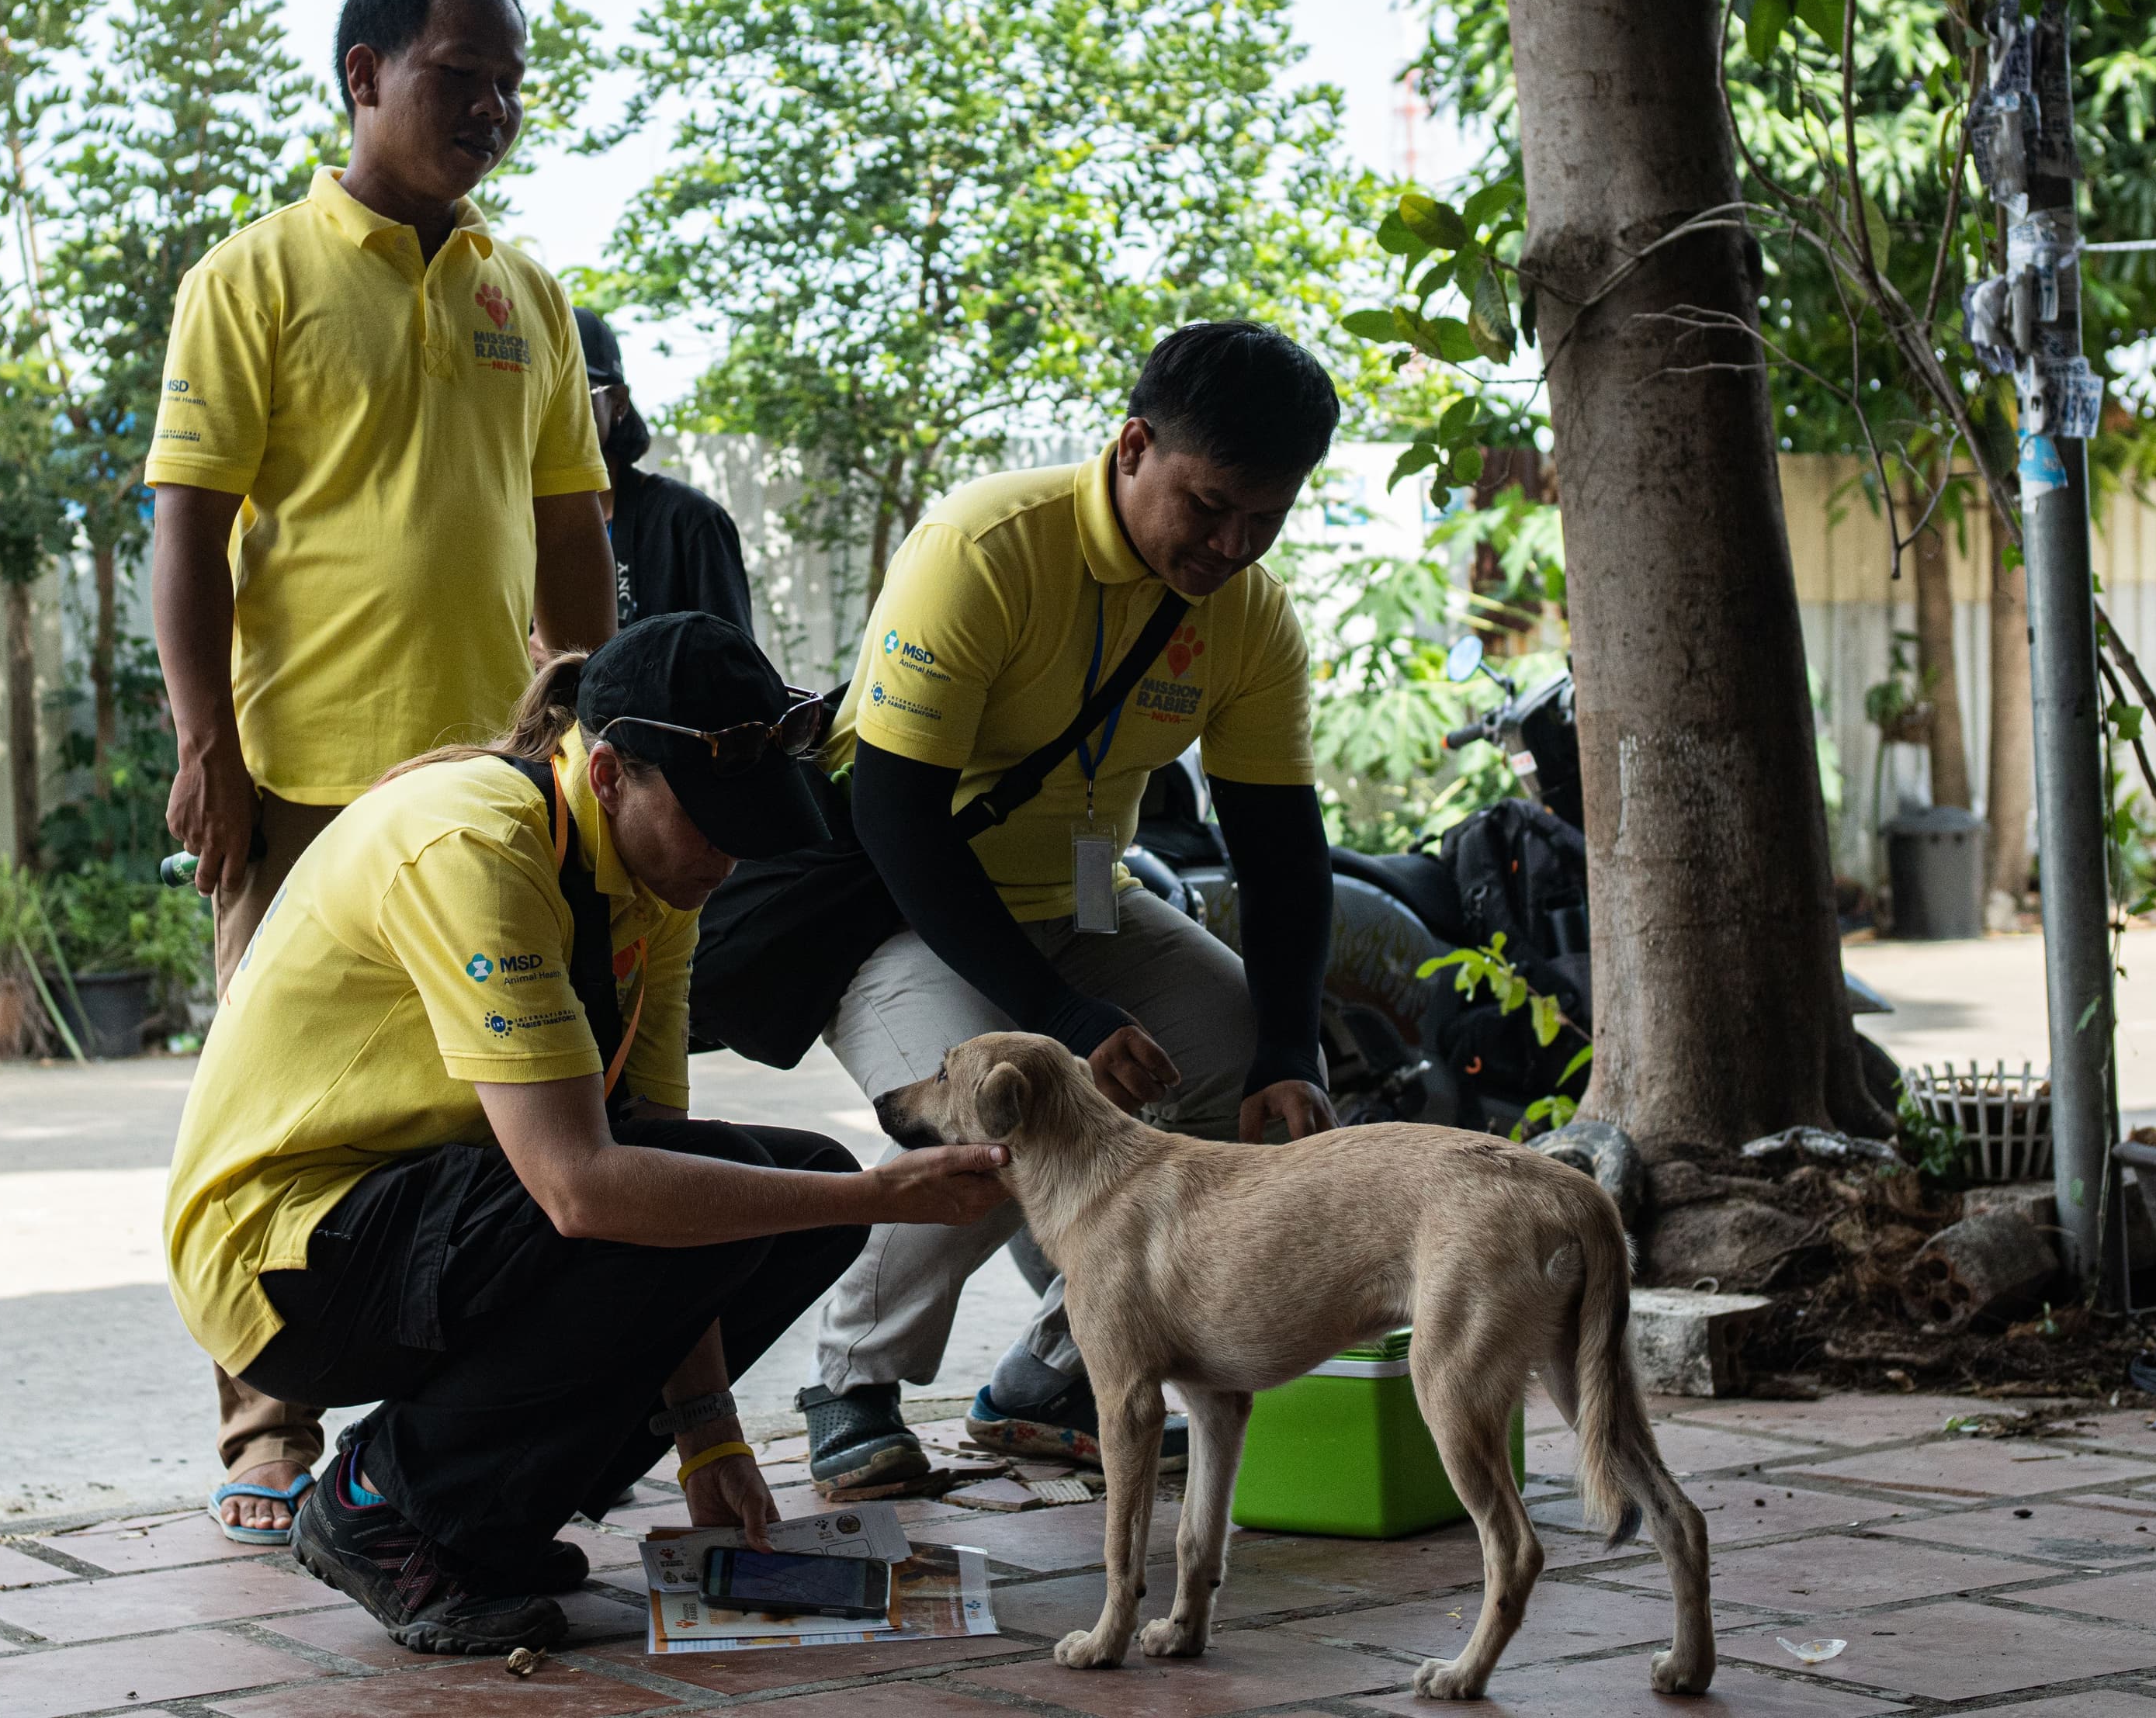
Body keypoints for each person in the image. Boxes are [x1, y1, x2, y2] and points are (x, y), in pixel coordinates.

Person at [163, 617, 1013, 1654]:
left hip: (422, 1216)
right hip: (279, 1257)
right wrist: (879, 1200)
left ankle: (478, 1518)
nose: (731, 857)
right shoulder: (475, 843)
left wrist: (710, 1442)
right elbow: (584, 1190)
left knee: (785, 1192)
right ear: (610, 773)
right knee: (777, 1194)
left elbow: (666, 1177)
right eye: (713, 824)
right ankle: (381, 1498)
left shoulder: (652, 882)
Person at [145, 0, 616, 1544]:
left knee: (485, 1109)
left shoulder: (525, 294)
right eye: (456, 73)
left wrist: (590, 713)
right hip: (302, 781)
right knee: (278, 1111)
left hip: (502, 783)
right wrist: (203, 741)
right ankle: (267, 1424)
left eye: (507, 84)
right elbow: (189, 533)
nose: (489, 107)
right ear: (364, 74)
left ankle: (437, 1426)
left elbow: (572, 540)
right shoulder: (253, 278)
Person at [796, 320, 1343, 1494]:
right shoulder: (983, 544)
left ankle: (1052, 1375)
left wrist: (1288, 1051)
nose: (1232, 546)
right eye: (1208, 507)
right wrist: (1065, 1017)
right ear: (1134, 446)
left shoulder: (1251, 616)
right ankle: (851, 1379)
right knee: (1007, 1106)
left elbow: (1283, 847)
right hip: (901, 909)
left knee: (1236, 1053)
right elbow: (896, 816)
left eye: (1267, 520)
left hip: (1085, 907)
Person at [574, 307, 757, 636]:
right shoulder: (515, 524)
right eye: (540, 390)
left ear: (618, 402)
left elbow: (735, 672)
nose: (552, 407)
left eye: (573, 390)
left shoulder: (688, 521)